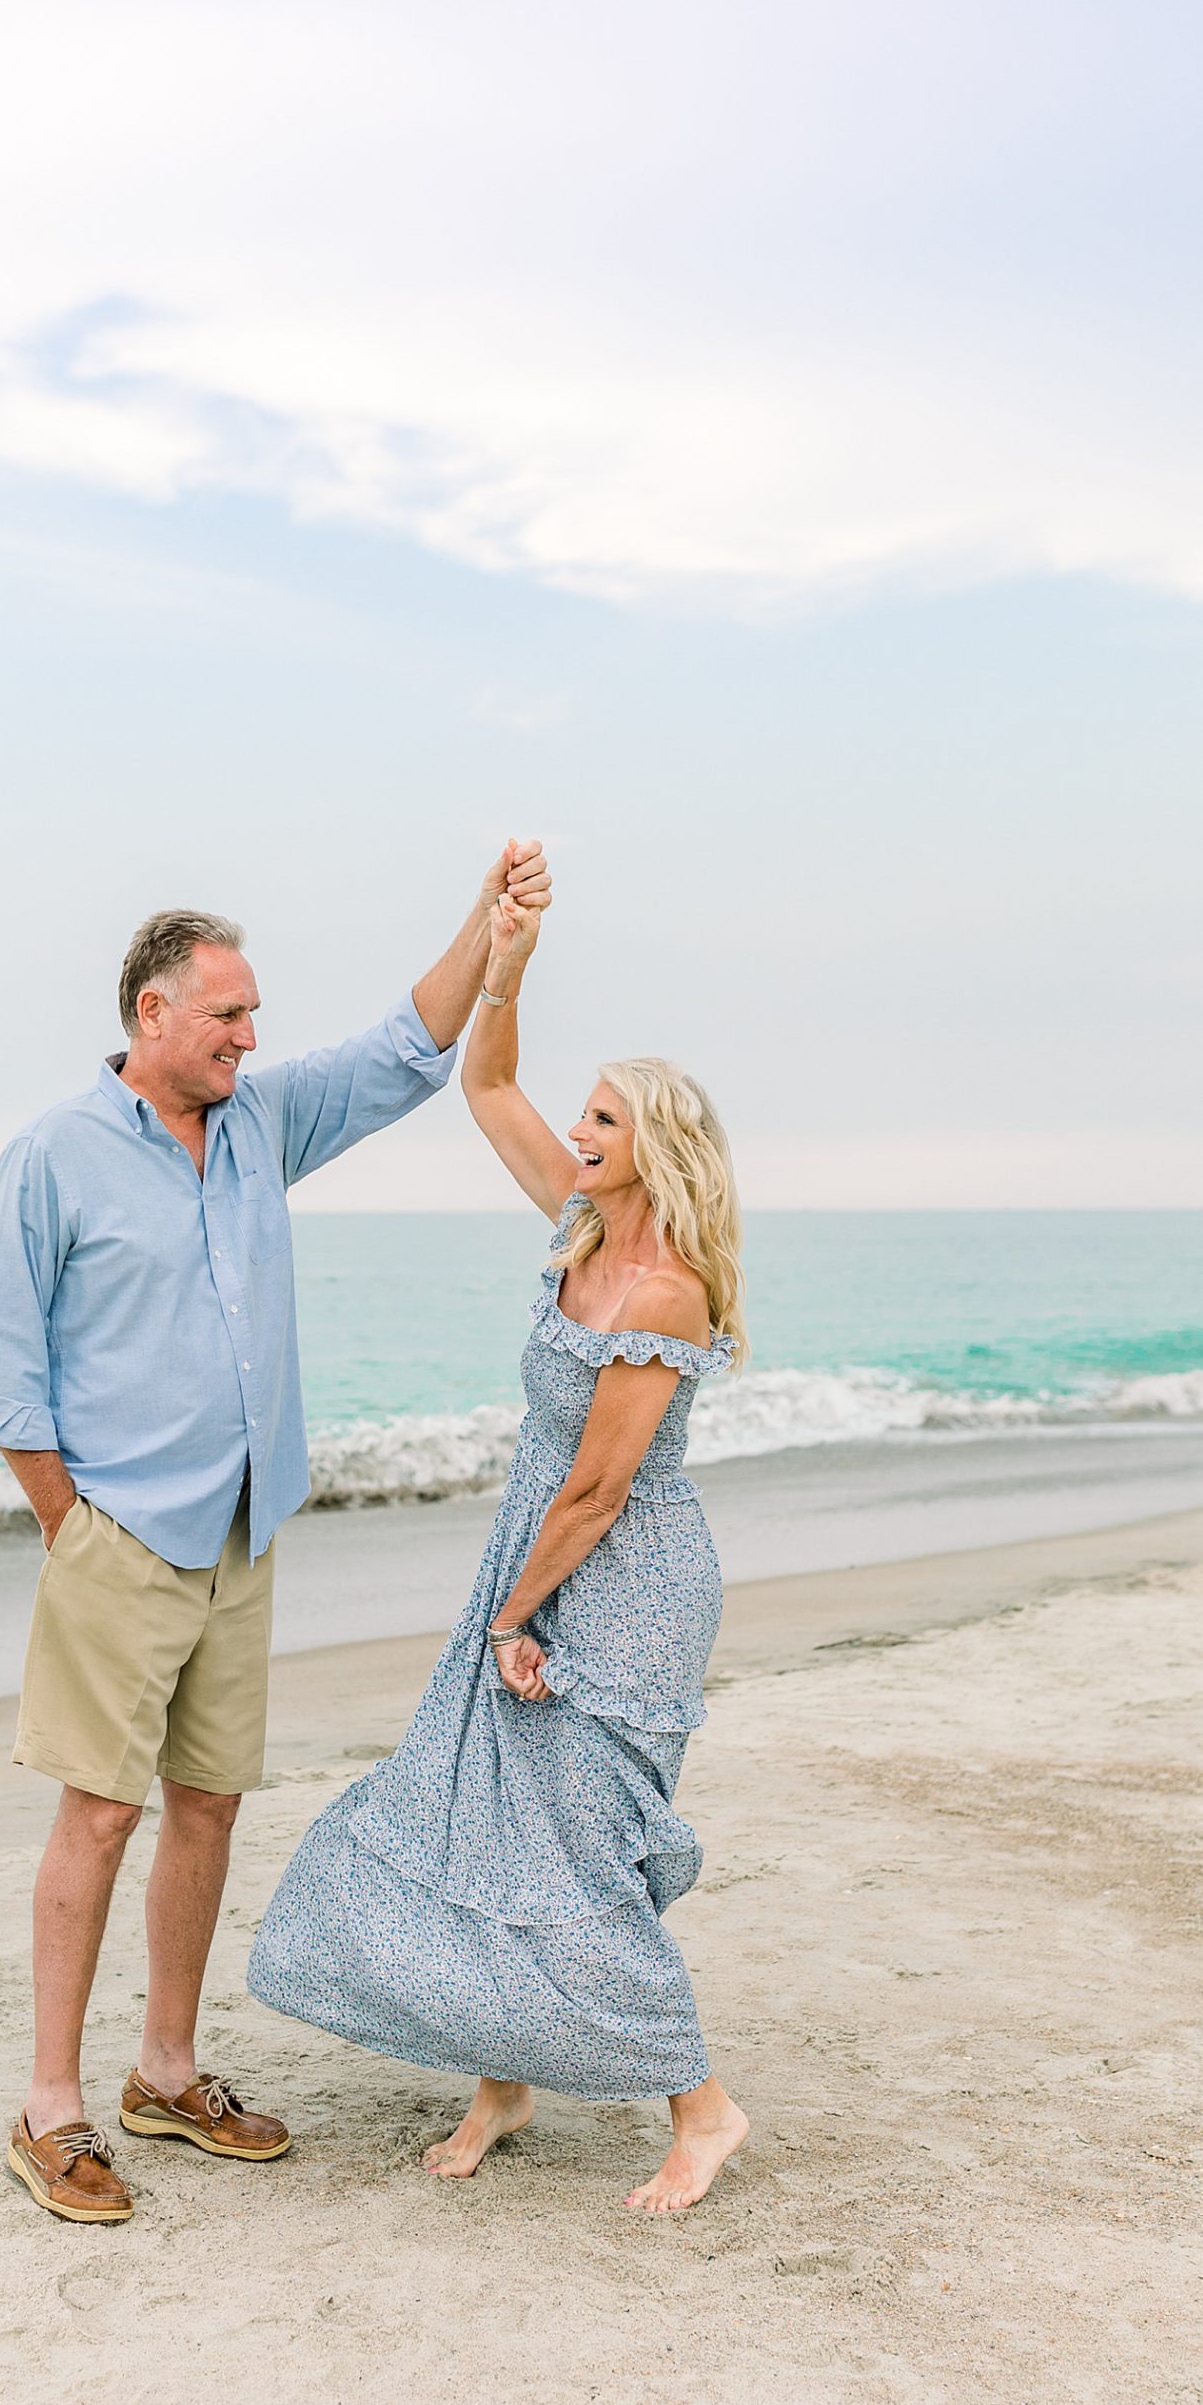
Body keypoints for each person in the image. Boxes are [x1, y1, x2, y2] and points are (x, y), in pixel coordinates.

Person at [0, 843, 553, 2224]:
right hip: (119, 1533)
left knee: (207, 1804)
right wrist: (71, 1527)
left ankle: (167, 2072)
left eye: (253, 1014)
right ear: (149, 1015)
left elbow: (409, 1050)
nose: (249, 1035)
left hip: (240, 1525)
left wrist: (484, 918)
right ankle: (52, 2109)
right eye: (226, 1015)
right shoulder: (52, 1154)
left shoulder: (262, 1121)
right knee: (96, 1813)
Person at [248, 885, 751, 2213]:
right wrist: (509, 966)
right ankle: (502, 2079)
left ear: (652, 1146)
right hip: (529, 1571)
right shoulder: (580, 1222)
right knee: (474, 1818)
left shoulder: (663, 1289)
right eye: (581, 1116)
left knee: (574, 1849)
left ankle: (700, 2109)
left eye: (600, 1119)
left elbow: (593, 1495)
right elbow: (485, 1081)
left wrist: (512, 1624)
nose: (574, 1132)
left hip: (615, 1587)